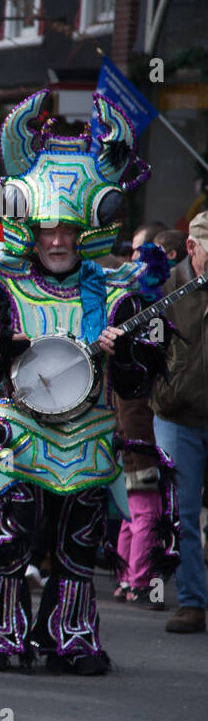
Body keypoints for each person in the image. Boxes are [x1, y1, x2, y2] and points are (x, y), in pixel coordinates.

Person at [0, 90, 171, 672]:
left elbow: (135, 381)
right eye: (47, 229)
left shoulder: (118, 290)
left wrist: (128, 348)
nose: (56, 241)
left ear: (84, 234)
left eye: (67, 232)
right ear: (31, 228)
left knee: (78, 548)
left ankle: (69, 634)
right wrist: (3, 344)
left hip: (90, 435)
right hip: (19, 431)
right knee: (9, 539)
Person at [152, 210, 208, 634]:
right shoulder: (164, 285)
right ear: (192, 248)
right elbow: (144, 349)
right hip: (176, 416)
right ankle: (192, 601)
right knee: (181, 514)